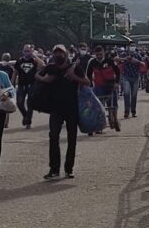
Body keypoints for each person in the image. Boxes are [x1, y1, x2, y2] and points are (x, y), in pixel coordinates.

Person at [37, 44, 89, 179]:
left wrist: (73, 77)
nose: (58, 55)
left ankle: (69, 169)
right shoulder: (51, 68)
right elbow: (36, 75)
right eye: (56, 53)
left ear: (66, 54)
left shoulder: (74, 67)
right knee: (53, 136)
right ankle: (54, 169)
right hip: (55, 108)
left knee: (72, 138)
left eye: (60, 53)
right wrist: (45, 79)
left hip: (72, 107)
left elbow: (87, 82)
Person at [86, 46, 121, 133]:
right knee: (99, 105)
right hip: (99, 85)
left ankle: (115, 117)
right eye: (97, 54)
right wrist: (89, 84)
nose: (99, 56)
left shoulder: (110, 61)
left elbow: (118, 71)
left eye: (100, 54)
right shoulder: (93, 62)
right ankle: (99, 123)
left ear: (104, 53)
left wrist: (117, 82)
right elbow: (88, 74)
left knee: (112, 103)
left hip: (111, 85)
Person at [13, 44, 44, 129]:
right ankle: (25, 115)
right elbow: (15, 72)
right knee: (19, 103)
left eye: (28, 51)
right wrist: (12, 83)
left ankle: (28, 121)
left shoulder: (34, 60)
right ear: (23, 51)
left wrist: (35, 56)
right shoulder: (19, 61)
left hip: (32, 84)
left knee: (30, 104)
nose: (27, 53)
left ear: (31, 51)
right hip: (21, 85)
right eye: (25, 51)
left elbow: (43, 65)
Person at [118, 41, 142, 118]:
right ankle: (126, 111)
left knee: (134, 95)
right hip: (126, 77)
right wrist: (124, 58)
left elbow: (143, 63)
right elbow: (116, 59)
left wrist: (137, 61)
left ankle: (133, 111)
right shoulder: (124, 54)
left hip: (135, 77)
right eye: (131, 45)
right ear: (128, 47)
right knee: (126, 93)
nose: (132, 47)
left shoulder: (137, 55)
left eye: (133, 46)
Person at [0, 53, 15, 128]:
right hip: (7, 88)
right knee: (6, 105)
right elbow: (12, 80)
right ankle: (5, 123)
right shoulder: (11, 68)